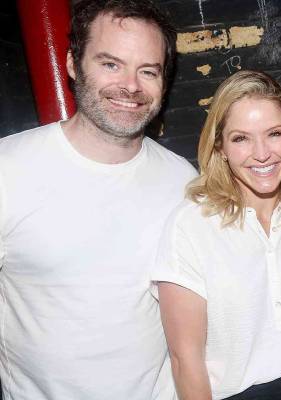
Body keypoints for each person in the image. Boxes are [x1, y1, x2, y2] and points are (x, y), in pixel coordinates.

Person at [0, 0, 196, 398]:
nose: (130, 85)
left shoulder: (183, 181)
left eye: (148, 71)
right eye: (111, 64)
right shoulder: (9, 169)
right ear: (73, 65)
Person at [152, 70, 281, 400]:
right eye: (241, 138)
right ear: (219, 146)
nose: (261, 153)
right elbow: (185, 361)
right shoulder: (190, 227)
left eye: (274, 133)